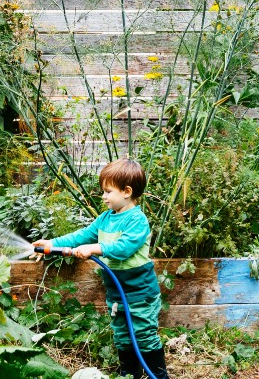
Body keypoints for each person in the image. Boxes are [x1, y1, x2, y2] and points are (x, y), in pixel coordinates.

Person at [31, 159, 167, 379]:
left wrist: (93, 249)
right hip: (116, 292)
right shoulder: (105, 219)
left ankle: (159, 376)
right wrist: (52, 243)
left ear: (126, 191)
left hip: (140, 292)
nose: (103, 196)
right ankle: (129, 375)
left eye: (107, 191)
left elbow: (123, 248)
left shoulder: (137, 220)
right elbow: (82, 235)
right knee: (122, 335)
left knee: (143, 335)